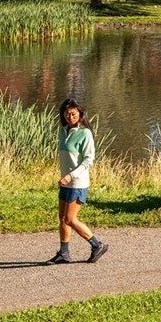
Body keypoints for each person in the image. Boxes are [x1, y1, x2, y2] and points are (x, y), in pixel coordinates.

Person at [52, 98, 108, 264]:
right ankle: (64, 253)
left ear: (80, 114)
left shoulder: (85, 133)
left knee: (70, 219)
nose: (70, 116)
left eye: (74, 114)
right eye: (67, 113)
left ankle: (97, 245)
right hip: (66, 182)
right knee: (62, 217)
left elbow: (88, 160)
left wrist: (71, 175)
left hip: (77, 183)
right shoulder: (63, 131)